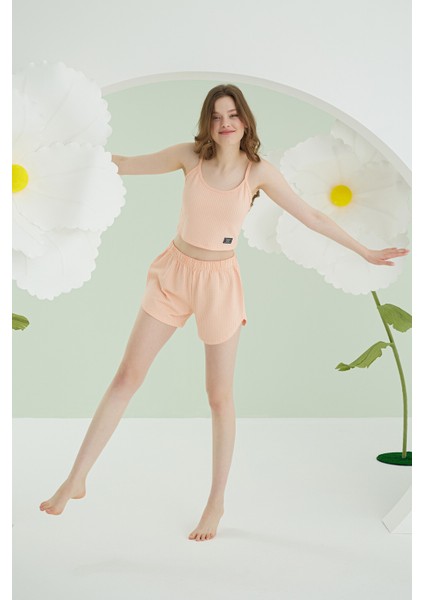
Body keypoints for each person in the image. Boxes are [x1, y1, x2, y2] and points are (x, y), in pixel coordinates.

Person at [39, 84, 409, 541]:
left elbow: (311, 216)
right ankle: (76, 479)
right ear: (207, 124)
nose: (225, 123)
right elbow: (127, 163)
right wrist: (63, 158)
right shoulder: (190, 157)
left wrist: (364, 251)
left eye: (232, 114)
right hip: (173, 273)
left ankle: (215, 503)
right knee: (126, 377)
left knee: (219, 397)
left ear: (245, 119)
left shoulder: (259, 172)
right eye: (216, 116)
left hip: (219, 285)